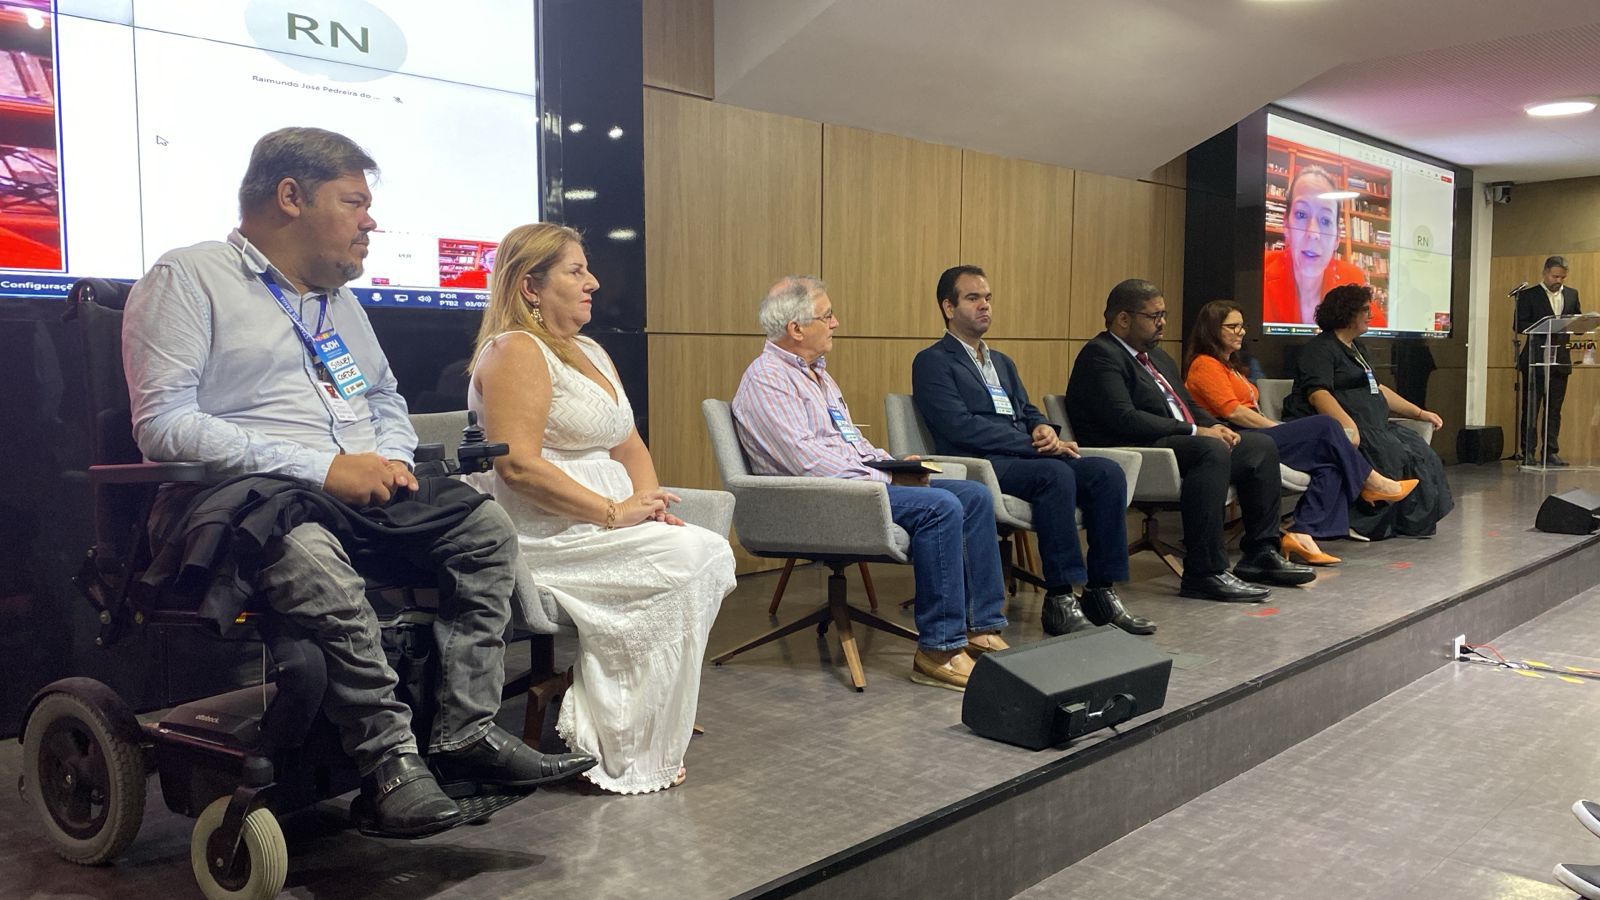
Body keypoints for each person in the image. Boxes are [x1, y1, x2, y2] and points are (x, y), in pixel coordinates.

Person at [122, 127, 594, 838]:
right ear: (290, 196)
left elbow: (380, 398)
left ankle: (466, 731)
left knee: (484, 528)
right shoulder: (188, 278)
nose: (371, 221)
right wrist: (322, 468)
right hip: (245, 497)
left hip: (354, 489)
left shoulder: (339, 301)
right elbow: (162, 423)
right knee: (310, 555)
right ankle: (391, 762)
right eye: (355, 202)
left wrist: (393, 456)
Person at [464, 223, 734, 794]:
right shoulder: (515, 350)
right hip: (547, 532)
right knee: (698, 558)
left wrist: (652, 504)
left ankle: (643, 709)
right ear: (529, 286)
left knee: (704, 553)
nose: (594, 281)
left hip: (603, 521)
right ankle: (622, 731)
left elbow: (627, 442)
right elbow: (518, 467)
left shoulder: (589, 350)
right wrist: (612, 512)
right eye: (576, 270)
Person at [732, 276, 1009, 692]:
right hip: (816, 502)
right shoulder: (767, 379)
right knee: (942, 507)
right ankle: (938, 650)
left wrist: (891, 462)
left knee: (972, 495)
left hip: (853, 486)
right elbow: (806, 463)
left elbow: (849, 442)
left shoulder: (817, 375)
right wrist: (887, 476)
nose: (836, 323)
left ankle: (979, 627)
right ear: (796, 328)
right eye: (827, 316)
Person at [912, 265, 1150, 636]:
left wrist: (1042, 429)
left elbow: (1025, 410)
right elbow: (959, 426)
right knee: (1053, 474)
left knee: (1106, 473)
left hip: (1026, 455)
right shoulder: (933, 362)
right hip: (982, 463)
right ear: (948, 307)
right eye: (973, 298)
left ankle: (1101, 591)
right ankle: (1059, 597)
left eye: (988, 298)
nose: (985, 306)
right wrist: (1033, 445)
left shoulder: (1002, 362)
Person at [1066, 279, 1314, 602]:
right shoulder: (1100, 356)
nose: (1163, 323)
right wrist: (1198, 432)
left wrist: (1216, 426)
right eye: (1154, 316)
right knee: (1208, 450)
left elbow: (1189, 407)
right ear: (1123, 319)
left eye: (1164, 314)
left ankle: (1260, 553)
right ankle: (1204, 571)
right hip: (1134, 450)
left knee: (1258, 445)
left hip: (1179, 444)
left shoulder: (1158, 358)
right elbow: (1124, 419)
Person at [1182, 300, 1418, 565]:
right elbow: (1235, 412)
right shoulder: (1205, 364)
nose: (1241, 332)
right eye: (1232, 326)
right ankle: (1372, 482)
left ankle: (1302, 533)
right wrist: (1278, 428)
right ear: (1212, 330)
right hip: (1238, 439)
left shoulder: (1231, 367)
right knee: (1327, 425)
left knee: (1331, 465)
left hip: (1256, 434)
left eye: (1242, 326)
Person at [1283, 284, 1453, 539]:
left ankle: (1402, 523)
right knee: (1390, 453)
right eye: (1364, 309)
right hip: (1350, 424)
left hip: (1374, 423)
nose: (1370, 314)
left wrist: (1419, 413)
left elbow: (1379, 388)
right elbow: (1318, 393)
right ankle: (1361, 522)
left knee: (1419, 452)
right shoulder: (1320, 349)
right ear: (1346, 313)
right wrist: (1347, 428)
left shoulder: (1358, 349)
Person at [1263, 166, 1380, 328]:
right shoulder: (1258, 269)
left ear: (1337, 237)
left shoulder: (1352, 278)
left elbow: (1376, 333)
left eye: (1325, 221)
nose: (1313, 233)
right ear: (1286, 225)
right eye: (1301, 214)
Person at [1516, 255, 1582, 466]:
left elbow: (1577, 321)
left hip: (1560, 359)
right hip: (1535, 359)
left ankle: (1550, 451)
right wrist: (1546, 324)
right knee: (1531, 408)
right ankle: (1528, 452)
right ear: (1545, 273)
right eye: (1555, 276)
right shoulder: (1528, 295)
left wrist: (1579, 324)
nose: (1558, 281)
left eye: (1562, 277)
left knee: (1554, 409)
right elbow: (1518, 325)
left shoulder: (1572, 294)